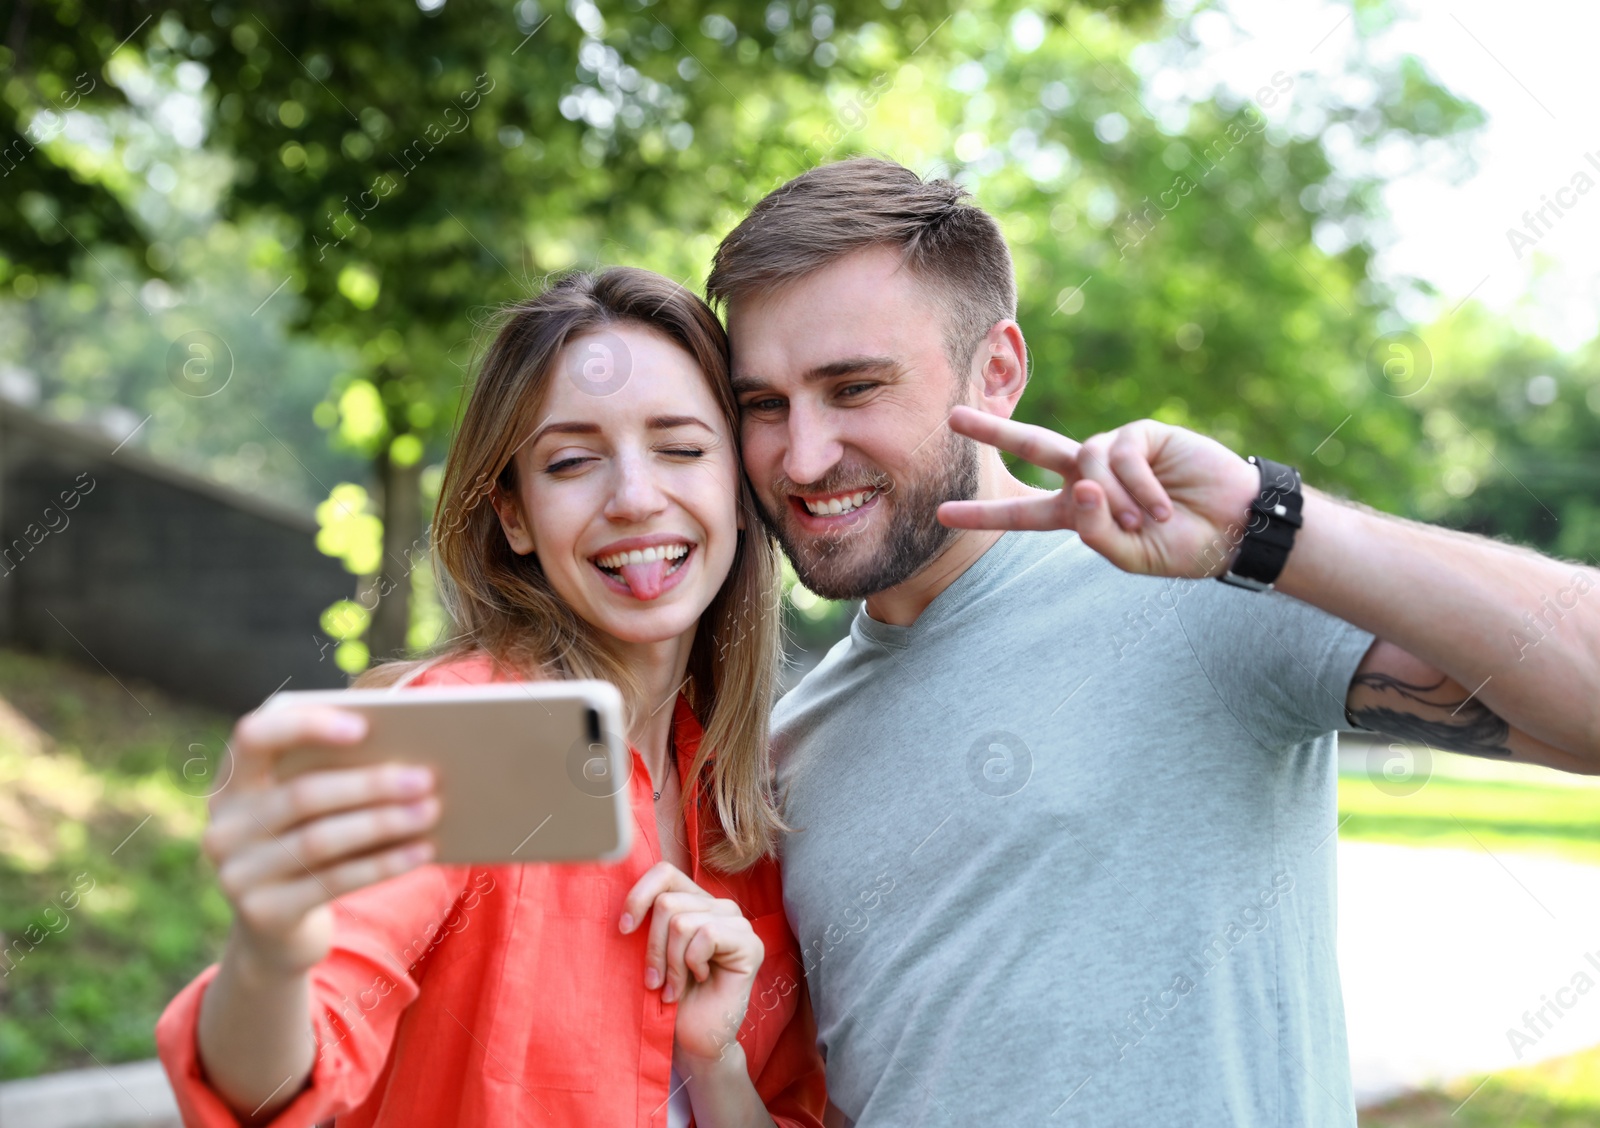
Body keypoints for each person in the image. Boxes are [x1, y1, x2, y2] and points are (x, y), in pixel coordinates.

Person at [706, 157, 1600, 1126]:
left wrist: (1274, 524)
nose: (800, 456)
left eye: (854, 387)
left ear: (996, 371)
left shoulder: (1198, 588)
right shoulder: (790, 749)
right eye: (764, 403)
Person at [156, 268, 826, 1127]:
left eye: (681, 448)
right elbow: (266, 1088)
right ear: (514, 514)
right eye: (573, 461)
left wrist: (716, 1061)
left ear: (736, 490)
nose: (634, 497)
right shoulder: (461, 741)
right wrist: (271, 949)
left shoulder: (748, 805)